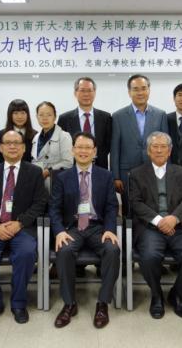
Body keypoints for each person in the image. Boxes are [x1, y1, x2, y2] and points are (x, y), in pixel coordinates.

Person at [0, 130, 48, 326]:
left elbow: (40, 203)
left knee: (26, 254)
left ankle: (19, 303)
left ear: (24, 148)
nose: (12, 146)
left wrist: (20, 222)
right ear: (1, 148)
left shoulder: (34, 172)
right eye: (8, 143)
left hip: (22, 228)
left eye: (17, 143)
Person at [129, 131, 182, 319]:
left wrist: (174, 218)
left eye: (163, 147)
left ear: (170, 151)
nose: (159, 150)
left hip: (178, 226)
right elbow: (136, 203)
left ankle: (177, 295)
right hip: (150, 227)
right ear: (148, 151)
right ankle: (156, 295)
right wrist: (159, 220)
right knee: (148, 257)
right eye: (155, 147)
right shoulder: (137, 174)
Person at [50, 132, 120, 329]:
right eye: (79, 147)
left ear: (95, 151)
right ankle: (69, 303)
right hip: (72, 227)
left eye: (88, 147)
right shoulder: (62, 177)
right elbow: (54, 208)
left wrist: (110, 229)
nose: (83, 151)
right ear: (73, 150)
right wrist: (59, 231)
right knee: (64, 250)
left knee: (112, 249)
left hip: (98, 227)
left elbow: (111, 206)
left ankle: (103, 303)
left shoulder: (105, 176)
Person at [111, 74, 168, 214]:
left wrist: (167, 171)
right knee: (129, 209)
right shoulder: (118, 116)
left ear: (149, 90)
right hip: (127, 172)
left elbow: (166, 146)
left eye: (143, 88)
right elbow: (115, 148)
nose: (140, 92)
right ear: (129, 92)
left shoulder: (160, 114)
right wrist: (116, 176)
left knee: (153, 206)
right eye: (135, 89)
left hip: (154, 169)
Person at [57, 77, 112, 169]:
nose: (86, 94)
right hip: (72, 168)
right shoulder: (64, 119)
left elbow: (108, 145)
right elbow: (62, 146)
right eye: (82, 90)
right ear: (75, 93)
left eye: (89, 90)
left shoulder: (106, 117)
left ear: (94, 93)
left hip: (100, 167)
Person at [31, 101, 73, 189]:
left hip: (56, 182)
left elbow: (68, 162)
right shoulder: (36, 137)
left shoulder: (64, 136)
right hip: (38, 182)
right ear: (37, 117)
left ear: (55, 117)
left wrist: (48, 171)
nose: (45, 118)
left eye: (49, 115)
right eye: (41, 115)